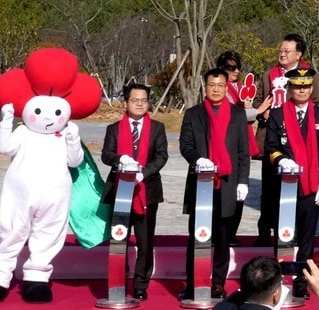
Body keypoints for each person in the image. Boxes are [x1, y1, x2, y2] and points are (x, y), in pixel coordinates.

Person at [178, 67, 251, 301]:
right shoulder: (193, 114)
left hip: (228, 184)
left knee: (221, 239)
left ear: (226, 87)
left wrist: (243, 181)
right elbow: (185, 144)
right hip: (201, 183)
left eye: (221, 85)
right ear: (205, 87)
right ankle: (193, 283)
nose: (216, 89)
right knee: (197, 236)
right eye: (212, 85)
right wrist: (196, 159)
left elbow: (243, 152)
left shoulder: (238, 115)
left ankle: (218, 283)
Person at [264, 66, 319, 298]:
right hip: (284, 186)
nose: (301, 91)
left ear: (311, 88)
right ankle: (277, 286)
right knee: (283, 236)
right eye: (297, 87)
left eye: (305, 87)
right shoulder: (278, 114)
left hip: (311, 186)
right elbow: (270, 147)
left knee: (306, 239)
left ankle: (301, 286)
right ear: (290, 88)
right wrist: (281, 160)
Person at [100, 82, 168, 302]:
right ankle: (119, 278)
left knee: (145, 242)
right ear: (126, 102)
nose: (139, 104)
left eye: (143, 100)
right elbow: (106, 155)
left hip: (147, 191)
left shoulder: (158, 128)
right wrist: (121, 160)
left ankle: (140, 284)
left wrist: (142, 173)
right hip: (120, 190)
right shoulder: (113, 129)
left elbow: (161, 156)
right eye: (134, 100)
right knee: (119, 238)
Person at [215, 51, 259, 243]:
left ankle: (231, 232)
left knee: (241, 185)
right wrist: (258, 109)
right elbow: (239, 116)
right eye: (231, 68)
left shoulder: (242, 88)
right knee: (224, 188)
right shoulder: (220, 88)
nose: (236, 71)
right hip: (224, 144)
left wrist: (250, 108)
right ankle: (221, 232)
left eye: (238, 67)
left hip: (241, 143)